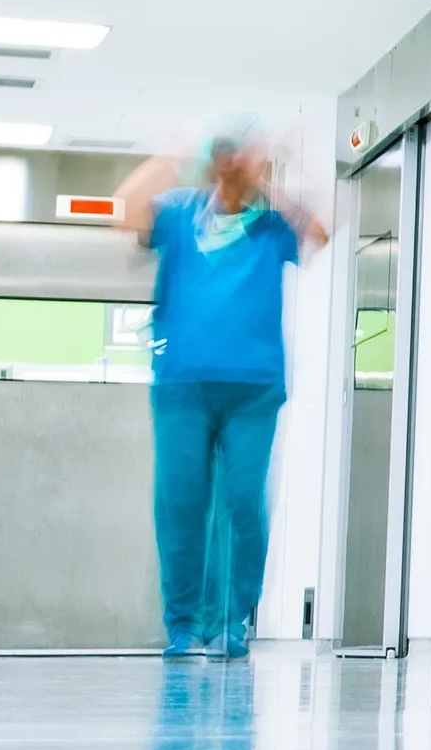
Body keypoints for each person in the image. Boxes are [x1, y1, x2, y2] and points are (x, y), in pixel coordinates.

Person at [115, 119, 328, 659]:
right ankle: (184, 626)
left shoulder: (272, 224)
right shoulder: (181, 211)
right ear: (212, 165)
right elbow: (125, 210)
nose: (233, 171)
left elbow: (321, 232)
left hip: (253, 390)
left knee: (241, 501)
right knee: (181, 503)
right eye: (227, 161)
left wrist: (266, 179)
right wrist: (172, 154)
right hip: (182, 385)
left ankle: (234, 620)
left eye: (243, 162)